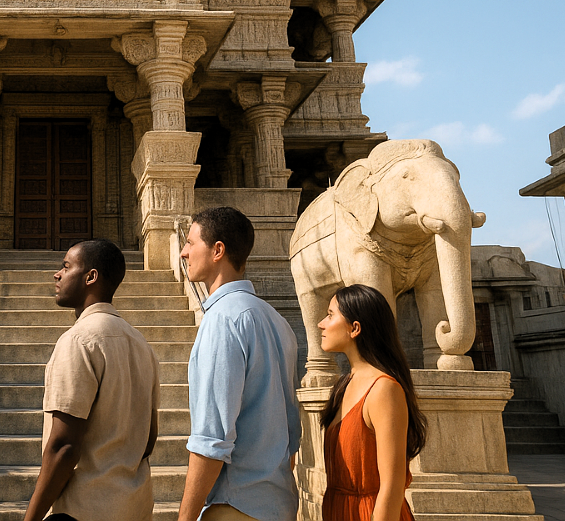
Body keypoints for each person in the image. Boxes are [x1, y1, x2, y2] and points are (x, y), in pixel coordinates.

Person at [23, 239, 161, 521]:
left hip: (85, 509)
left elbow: (64, 447)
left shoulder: (78, 341)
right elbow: (148, 440)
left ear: (90, 277)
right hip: (135, 507)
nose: (57, 274)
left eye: (66, 267)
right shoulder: (141, 344)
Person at [178, 206, 302, 521]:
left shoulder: (223, 320)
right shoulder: (277, 321)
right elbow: (291, 434)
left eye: (190, 242)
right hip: (278, 504)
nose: (183, 252)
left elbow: (211, 441)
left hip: (236, 506)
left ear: (217, 250)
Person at [317, 284, 428, 521]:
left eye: (330, 315)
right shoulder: (344, 385)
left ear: (355, 328)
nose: (321, 324)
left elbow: (392, 486)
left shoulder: (384, 389)